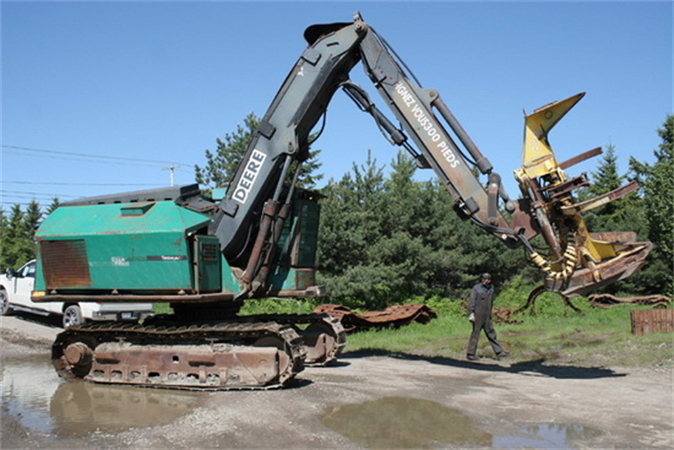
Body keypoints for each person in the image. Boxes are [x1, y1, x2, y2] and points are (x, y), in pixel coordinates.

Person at [466, 273, 509, 361]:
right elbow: (472, 301)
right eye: (485, 279)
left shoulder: (491, 289)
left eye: (489, 279)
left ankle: (499, 352)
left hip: (487, 315)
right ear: (482, 279)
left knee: (491, 333)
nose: (487, 281)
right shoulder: (476, 289)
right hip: (477, 315)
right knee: (475, 334)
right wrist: (471, 313)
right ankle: (470, 354)